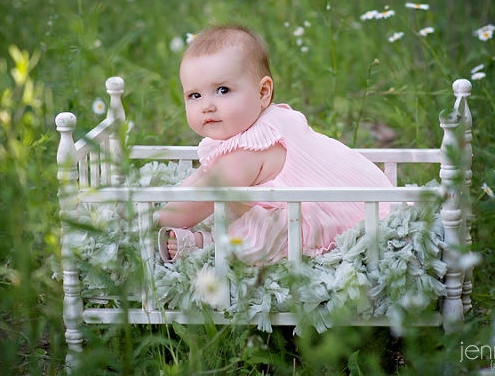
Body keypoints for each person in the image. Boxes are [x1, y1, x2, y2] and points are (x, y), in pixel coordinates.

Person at [156, 24, 393, 265]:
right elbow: (198, 182)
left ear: (263, 92)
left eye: (223, 90)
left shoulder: (252, 147)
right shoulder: (269, 122)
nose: (207, 105)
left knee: (272, 228)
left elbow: (205, 195)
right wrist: (169, 200)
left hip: (343, 220)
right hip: (370, 204)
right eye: (194, 95)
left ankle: (208, 244)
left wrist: (156, 220)